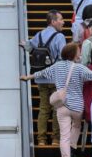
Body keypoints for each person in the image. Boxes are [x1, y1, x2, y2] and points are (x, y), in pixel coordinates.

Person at [21, 43, 92, 157]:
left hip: (62, 105)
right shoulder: (79, 68)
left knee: (64, 135)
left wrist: (28, 77)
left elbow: (42, 73)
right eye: (79, 51)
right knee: (76, 127)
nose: (80, 54)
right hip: (77, 106)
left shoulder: (57, 66)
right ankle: (72, 148)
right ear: (73, 54)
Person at [22, 9, 66, 146]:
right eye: (60, 19)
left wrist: (23, 43)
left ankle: (41, 139)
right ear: (53, 21)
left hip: (40, 77)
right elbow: (63, 56)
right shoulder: (59, 37)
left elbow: (29, 47)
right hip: (55, 78)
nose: (63, 22)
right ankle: (55, 139)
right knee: (56, 108)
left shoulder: (39, 35)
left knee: (43, 108)